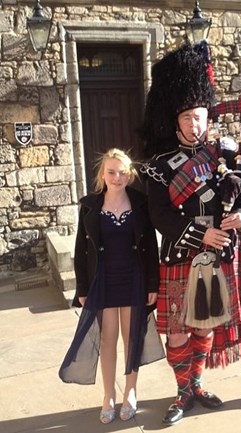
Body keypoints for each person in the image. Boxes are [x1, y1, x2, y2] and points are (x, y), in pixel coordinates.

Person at [141, 43, 241, 425]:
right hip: (181, 256)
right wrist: (201, 235)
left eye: (201, 117)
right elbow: (159, 215)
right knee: (178, 332)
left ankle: (196, 383)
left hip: (217, 258)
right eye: (189, 118)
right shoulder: (159, 167)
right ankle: (182, 394)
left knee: (205, 323)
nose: (196, 124)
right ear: (175, 121)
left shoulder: (225, 154)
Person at [59, 148, 160, 424]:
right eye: (112, 172)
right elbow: (80, 251)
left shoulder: (140, 203)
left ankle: (130, 393)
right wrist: (82, 288)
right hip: (102, 280)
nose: (117, 177)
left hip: (134, 278)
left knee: (131, 339)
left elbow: (151, 247)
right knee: (107, 340)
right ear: (103, 174)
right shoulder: (90, 206)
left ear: (130, 175)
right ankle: (108, 396)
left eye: (122, 172)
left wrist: (153, 281)